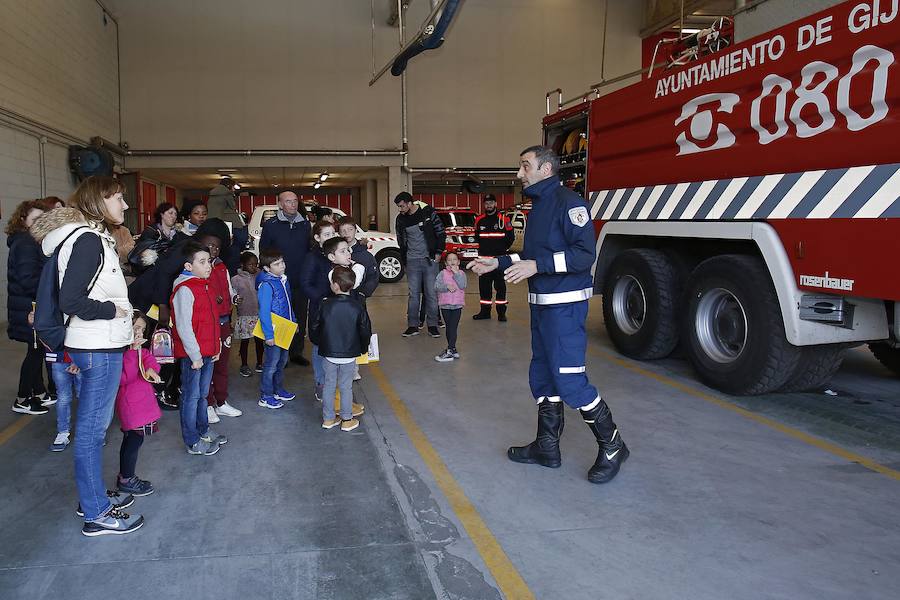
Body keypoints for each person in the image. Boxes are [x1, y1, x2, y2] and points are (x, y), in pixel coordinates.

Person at [468, 146, 628, 485]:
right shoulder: (538, 207)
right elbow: (531, 256)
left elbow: (584, 255)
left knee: (569, 379)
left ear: (546, 169)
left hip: (564, 307)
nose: (519, 174)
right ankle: (547, 447)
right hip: (541, 305)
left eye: (525, 166)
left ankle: (613, 445)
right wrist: (498, 262)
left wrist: (537, 266)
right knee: (542, 376)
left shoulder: (570, 204)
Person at [30, 176, 143, 535]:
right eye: (118, 198)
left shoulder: (90, 237)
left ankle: (92, 497)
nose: (125, 205)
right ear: (98, 201)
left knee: (94, 430)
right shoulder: (87, 240)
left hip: (99, 344)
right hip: (97, 346)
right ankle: (96, 513)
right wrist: (113, 310)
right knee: (92, 434)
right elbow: (72, 300)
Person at [171, 240, 225, 456]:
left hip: (207, 352)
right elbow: (184, 326)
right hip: (193, 355)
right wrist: (195, 355)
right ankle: (192, 441)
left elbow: (212, 321)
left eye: (208, 261)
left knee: (203, 395)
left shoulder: (205, 285)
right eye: (202, 262)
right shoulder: (185, 289)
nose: (208, 265)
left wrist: (217, 345)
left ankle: (203, 431)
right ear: (188, 266)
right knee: (191, 397)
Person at [309, 266, 371, 432]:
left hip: (329, 354)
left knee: (329, 386)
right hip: (349, 355)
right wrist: (363, 348)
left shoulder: (325, 304)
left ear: (335, 285)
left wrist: (320, 343)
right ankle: (347, 420)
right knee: (346, 387)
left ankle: (328, 419)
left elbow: (314, 327)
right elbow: (365, 330)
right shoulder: (357, 306)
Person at [6, 200, 51, 415]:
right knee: (35, 352)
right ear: (23, 220)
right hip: (29, 307)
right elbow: (29, 280)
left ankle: (38, 392)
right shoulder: (26, 243)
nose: (39, 223)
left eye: (42, 219)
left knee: (36, 350)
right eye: (35, 219)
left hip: (29, 306)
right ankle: (22, 398)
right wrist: (50, 294)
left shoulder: (30, 241)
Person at [259, 191, 311, 365]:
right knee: (280, 316)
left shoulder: (305, 224)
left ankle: (296, 352)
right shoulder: (271, 225)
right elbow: (264, 251)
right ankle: (282, 354)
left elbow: (309, 249)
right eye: (288, 201)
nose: (293, 204)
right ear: (280, 204)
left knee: (300, 317)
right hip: (278, 281)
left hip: (300, 280)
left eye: (295, 201)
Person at [197, 224, 242, 423]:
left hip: (224, 321)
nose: (213, 250)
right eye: (209, 246)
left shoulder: (222, 266)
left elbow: (229, 289)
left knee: (222, 364)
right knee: (207, 365)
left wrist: (234, 298)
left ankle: (221, 402)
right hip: (208, 324)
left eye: (217, 247)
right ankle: (207, 404)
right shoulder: (197, 268)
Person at [114, 312, 162, 497]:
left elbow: (150, 361)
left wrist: (152, 369)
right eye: (135, 328)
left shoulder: (142, 350)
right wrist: (133, 351)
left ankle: (125, 476)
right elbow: (124, 378)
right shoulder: (121, 353)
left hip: (142, 405)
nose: (139, 332)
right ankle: (127, 479)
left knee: (133, 440)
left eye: (142, 328)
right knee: (133, 441)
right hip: (131, 406)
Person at [394, 192, 445, 338]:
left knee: (431, 294)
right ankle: (413, 326)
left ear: (410, 203)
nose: (400, 209)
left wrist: (438, 252)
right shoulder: (401, 219)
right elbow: (400, 240)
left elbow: (441, 232)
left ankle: (433, 325)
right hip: (412, 261)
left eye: (402, 206)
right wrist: (404, 260)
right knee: (413, 295)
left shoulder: (428, 213)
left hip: (430, 260)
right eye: (398, 207)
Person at [300, 220, 338, 401]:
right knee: (318, 346)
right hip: (321, 309)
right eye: (326, 234)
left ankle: (337, 384)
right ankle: (320, 383)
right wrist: (321, 299)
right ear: (317, 238)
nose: (331, 237)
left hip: (339, 308)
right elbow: (305, 284)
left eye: (333, 233)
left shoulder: (339, 253)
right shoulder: (312, 257)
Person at [256, 249, 296, 409]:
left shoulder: (283, 281)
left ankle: (278, 390)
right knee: (271, 364)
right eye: (277, 264)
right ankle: (266, 395)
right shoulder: (266, 285)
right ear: (267, 268)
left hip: (285, 329)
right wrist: (268, 335)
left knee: (281, 362)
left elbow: (288, 304)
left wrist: (294, 322)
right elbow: (264, 312)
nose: (282, 266)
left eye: (282, 262)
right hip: (274, 331)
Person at [472, 194, 514, 321]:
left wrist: (501, 250)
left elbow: (511, 237)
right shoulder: (479, 220)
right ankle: (485, 312)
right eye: (486, 203)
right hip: (484, 261)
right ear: (484, 205)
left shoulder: (504, 219)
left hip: (499, 261)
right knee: (484, 288)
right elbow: (477, 237)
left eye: (491, 202)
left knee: (500, 287)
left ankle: (501, 313)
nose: (489, 205)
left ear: (495, 204)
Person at [128, 202, 185, 276]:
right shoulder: (151, 231)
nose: (173, 216)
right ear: (162, 214)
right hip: (151, 271)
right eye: (170, 213)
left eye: (175, 214)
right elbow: (142, 253)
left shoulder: (177, 233)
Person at [232, 251, 264, 377]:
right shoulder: (236, 279)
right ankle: (244, 365)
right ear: (242, 264)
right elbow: (232, 295)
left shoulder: (260, 276)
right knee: (244, 342)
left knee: (259, 341)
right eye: (250, 264)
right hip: (244, 315)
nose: (254, 267)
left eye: (256, 264)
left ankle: (260, 363)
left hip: (259, 314)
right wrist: (235, 299)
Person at [434, 251, 467, 362]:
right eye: (449, 260)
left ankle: (450, 350)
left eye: (454, 259)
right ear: (445, 263)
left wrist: (456, 273)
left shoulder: (461, 274)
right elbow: (436, 286)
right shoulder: (442, 274)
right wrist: (446, 286)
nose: (452, 261)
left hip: (457, 305)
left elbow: (462, 285)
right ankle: (453, 349)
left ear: (458, 262)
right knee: (449, 327)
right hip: (445, 305)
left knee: (453, 327)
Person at [48, 353, 81, 451]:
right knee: (65, 397)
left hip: (80, 356)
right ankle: (63, 432)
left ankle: (90, 431)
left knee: (83, 396)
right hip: (63, 357)